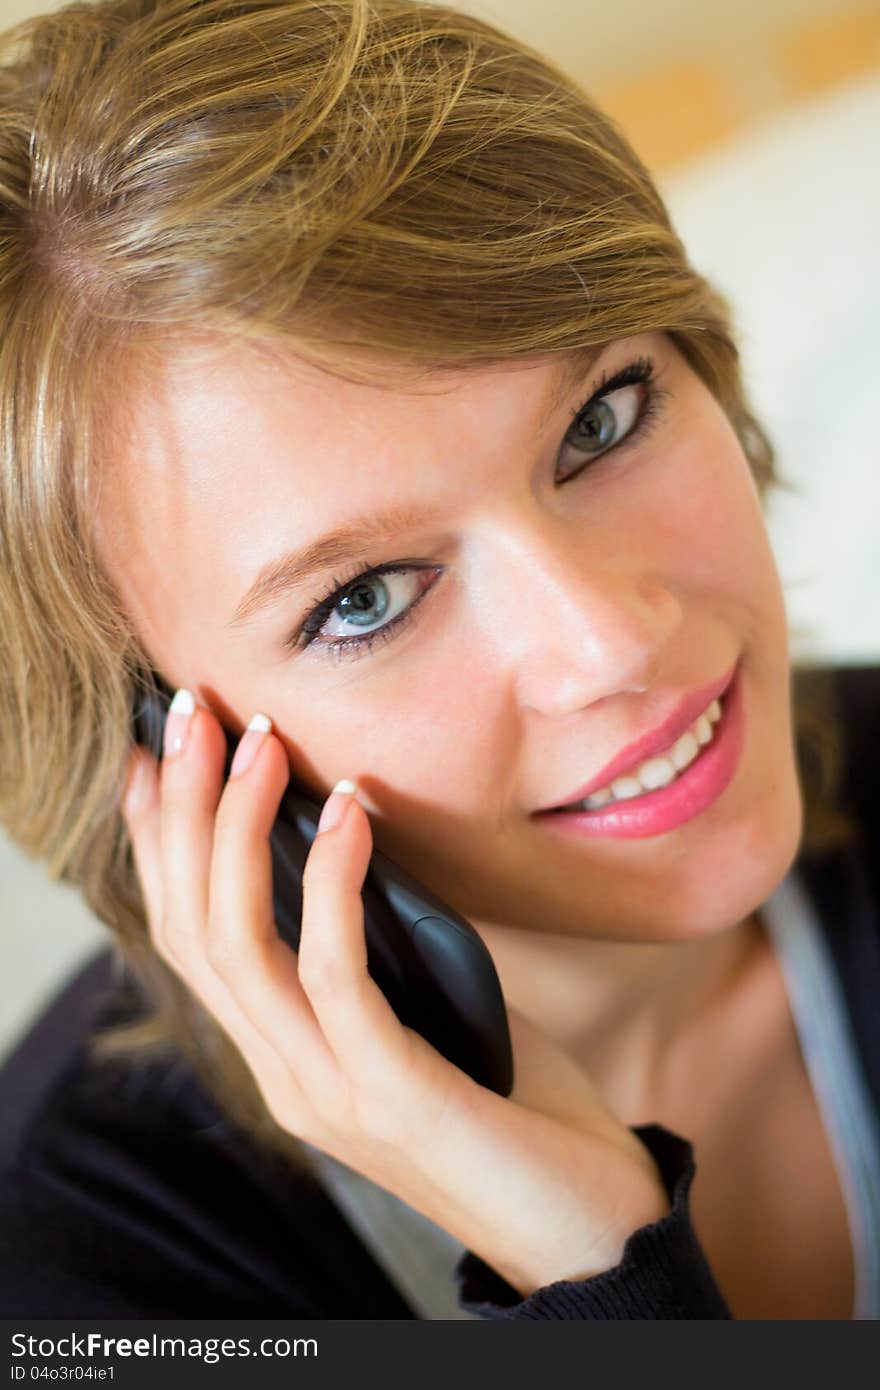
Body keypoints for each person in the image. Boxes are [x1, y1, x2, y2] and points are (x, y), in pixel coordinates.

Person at [0, 0, 877, 1321]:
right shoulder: (78, 1276)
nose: (614, 639)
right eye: (362, 599)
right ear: (148, 751)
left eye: (603, 415)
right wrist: (602, 1277)